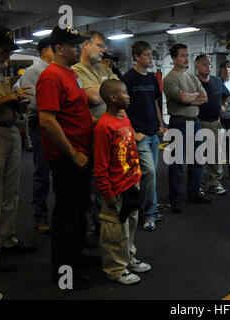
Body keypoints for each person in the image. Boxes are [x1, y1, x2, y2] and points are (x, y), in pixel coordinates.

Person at [36, 25, 95, 289]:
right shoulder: (51, 76)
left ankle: (76, 258)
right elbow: (47, 121)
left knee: (80, 212)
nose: (78, 48)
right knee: (65, 217)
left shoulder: (71, 74)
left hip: (82, 154)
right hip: (68, 158)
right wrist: (73, 155)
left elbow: (78, 114)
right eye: (73, 45)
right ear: (59, 49)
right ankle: (63, 275)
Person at [94, 79, 151, 285]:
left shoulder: (123, 120)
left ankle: (127, 256)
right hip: (116, 189)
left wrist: (136, 177)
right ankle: (115, 268)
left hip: (131, 184)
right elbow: (100, 165)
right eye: (125, 93)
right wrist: (107, 193)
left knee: (130, 225)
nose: (128, 96)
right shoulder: (104, 126)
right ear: (113, 97)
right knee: (115, 230)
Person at [0, 25, 36, 273]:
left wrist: (18, 103)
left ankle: (6, 239)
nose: (7, 55)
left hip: (9, 131)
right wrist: (12, 97)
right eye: (3, 49)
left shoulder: (0, 72)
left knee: (11, 193)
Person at [72, 30, 119, 242]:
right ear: (85, 45)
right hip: (91, 138)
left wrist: (104, 91)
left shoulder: (103, 68)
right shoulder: (75, 71)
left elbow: (120, 91)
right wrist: (107, 90)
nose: (103, 50)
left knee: (107, 181)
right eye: (99, 45)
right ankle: (88, 226)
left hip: (112, 136)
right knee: (90, 183)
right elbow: (92, 98)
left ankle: (102, 222)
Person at [121, 41, 164, 231]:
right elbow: (122, 108)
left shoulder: (153, 79)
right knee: (150, 173)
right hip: (139, 134)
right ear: (137, 57)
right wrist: (132, 132)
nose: (150, 58)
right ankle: (149, 214)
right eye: (146, 55)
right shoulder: (128, 78)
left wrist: (161, 124)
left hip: (153, 132)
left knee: (150, 175)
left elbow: (155, 103)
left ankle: (147, 209)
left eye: (150, 55)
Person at [163, 43, 210, 213]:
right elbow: (182, 98)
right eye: (182, 55)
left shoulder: (191, 77)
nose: (185, 59)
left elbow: (204, 98)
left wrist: (190, 98)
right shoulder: (170, 79)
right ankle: (175, 199)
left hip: (194, 121)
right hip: (178, 122)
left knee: (197, 159)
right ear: (174, 58)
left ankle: (194, 192)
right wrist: (191, 97)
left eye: (186, 55)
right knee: (177, 164)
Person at [18, 37, 55, 234]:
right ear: (45, 50)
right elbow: (34, 103)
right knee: (42, 172)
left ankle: (60, 217)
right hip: (41, 126)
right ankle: (40, 216)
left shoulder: (59, 70)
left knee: (60, 173)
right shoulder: (33, 72)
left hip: (58, 125)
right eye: (53, 48)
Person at [195, 54, 230, 195]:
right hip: (199, 123)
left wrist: (224, 105)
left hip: (215, 123)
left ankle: (214, 183)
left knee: (215, 154)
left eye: (209, 64)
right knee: (197, 156)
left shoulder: (216, 81)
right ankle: (196, 185)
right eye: (204, 64)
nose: (208, 67)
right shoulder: (193, 82)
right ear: (197, 66)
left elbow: (226, 94)